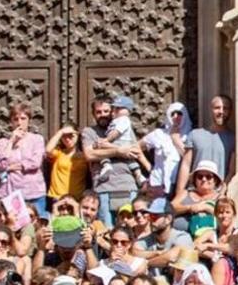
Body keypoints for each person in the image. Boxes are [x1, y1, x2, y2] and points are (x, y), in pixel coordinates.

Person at [81, 96, 143, 227]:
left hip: (127, 185)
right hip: (103, 188)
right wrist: (118, 152)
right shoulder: (89, 132)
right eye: (98, 112)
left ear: (113, 111)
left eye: (105, 111)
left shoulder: (124, 126)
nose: (102, 115)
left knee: (130, 228)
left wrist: (105, 150)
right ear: (93, 114)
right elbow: (89, 154)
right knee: (106, 230)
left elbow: (135, 150)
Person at [174, 94, 236, 193]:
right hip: (194, 192)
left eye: (225, 108)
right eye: (217, 108)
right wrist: (179, 192)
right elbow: (186, 164)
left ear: (230, 112)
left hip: (217, 194)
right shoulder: (195, 135)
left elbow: (231, 171)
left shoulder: (234, 139)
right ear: (211, 110)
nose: (221, 111)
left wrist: (222, 193)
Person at [0, 103, 47, 215]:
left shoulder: (37, 139)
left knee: (37, 226)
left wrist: (11, 167)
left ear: (29, 120)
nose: (19, 122)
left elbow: (35, 163)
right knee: (13, 226)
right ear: (11, 122)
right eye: (15, 119)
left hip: (34, 192)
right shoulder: (3, 143)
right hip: (11, 192)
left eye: (23, 118)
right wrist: (12, 141)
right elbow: (1, 164)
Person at [138, 102, 190, 199]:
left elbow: (190, 159)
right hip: (157, 184)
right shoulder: (158, 134)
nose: (175, 117)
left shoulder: (191, 136)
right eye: (172, 114)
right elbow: (136, 148)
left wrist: (176, 140)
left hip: (180, 186)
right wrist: (148, 166)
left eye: (179, 113)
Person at [135, 198, 193, 273]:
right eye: (150, 216)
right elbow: (134, 252)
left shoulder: (182, 237)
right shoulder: (146, 240)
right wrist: (156, 253)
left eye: (155, 217)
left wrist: (147, 263)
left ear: (168, 219)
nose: (151, 221)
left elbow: (171, 256)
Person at [171, 160, 222, 235]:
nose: (204, 179)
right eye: (200, 176)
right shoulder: (185, 193)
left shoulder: (220, 198)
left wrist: (206, 208)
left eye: (208, 177)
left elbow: (224, 217)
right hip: (177, 234)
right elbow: (169, 209)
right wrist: (189, 208)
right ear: (195, 179)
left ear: (215, 180)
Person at [44, 123, 87, 208]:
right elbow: (48, 150)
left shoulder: (85, 156)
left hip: (76, 198)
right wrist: (60, 132)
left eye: (71, 135)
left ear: (77, 135)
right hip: (58, 197)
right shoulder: (59, 153)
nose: (67, 139)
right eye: (64, 136)